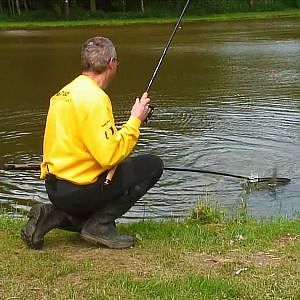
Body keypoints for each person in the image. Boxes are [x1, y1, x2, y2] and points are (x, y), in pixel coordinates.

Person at [21, 36, 163, 250]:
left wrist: (131, 121)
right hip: (77, 191)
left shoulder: (62, 93)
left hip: (54, 188)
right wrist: (135, 121)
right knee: (152, 165)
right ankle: (99, 225)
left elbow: (90, 143)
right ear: (111, 63)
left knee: (108, 180)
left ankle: (52, 215)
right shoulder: (95, 99)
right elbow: (109, 157)